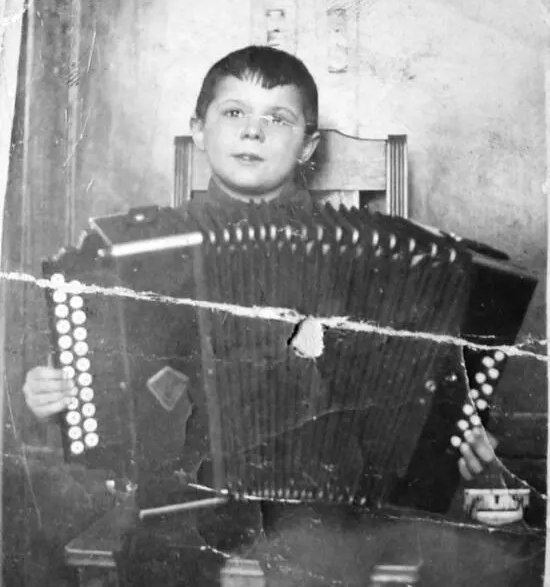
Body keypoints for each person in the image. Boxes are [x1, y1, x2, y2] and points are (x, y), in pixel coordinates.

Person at [23, 45, 496, 485]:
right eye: (234, 113)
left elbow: (417, 378)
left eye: (278, 118)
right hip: (185, 495)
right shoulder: (142, 247)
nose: (253, 130)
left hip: (329, 499)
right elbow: (111, 384)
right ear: (198, 130)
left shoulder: (368, 253)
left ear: (307, 146)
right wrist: (56, 395)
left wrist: (457, 427)